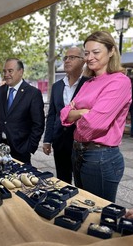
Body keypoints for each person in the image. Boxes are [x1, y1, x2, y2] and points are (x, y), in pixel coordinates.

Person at [60, 31, 131, 202]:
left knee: (98, 215)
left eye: (96, 52)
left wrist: (76, 114)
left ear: (111, 51)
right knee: (82, 209)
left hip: (101, 157)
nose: (90, 57)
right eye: (86, 53)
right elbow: (64, 115)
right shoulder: (88, 83)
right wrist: (82, 113)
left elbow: (94, 124)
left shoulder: (119, 81)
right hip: (78, 152)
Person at [0, 58, 45, 164]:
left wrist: (29, 147)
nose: (6, 74)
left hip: (21, 150)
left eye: (10, 71)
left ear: (21, 72)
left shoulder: (33, 93)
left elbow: (38, 124)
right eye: (4, 71)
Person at [43, 47, 88, 183]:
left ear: (83, 61)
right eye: (65, 58)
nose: (67, 61)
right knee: (62, 181)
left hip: (81, 143)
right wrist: (47, 139)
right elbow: (52, 115)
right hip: (60, 141)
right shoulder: (57, 86)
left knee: (82, 183)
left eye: (72, 57)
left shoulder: (89, 83)